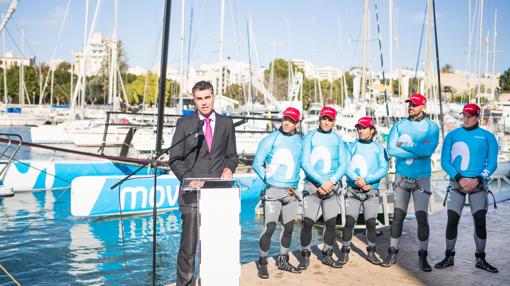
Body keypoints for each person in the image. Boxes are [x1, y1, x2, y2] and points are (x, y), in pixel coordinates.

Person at [169, 80, 238, 286]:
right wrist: (190, 179)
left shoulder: (226, 124)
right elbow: (174, 159)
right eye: (199, 99)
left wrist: (229, 168)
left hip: (218, 195)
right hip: (191, 196)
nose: (204, 103)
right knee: (188, 248)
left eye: (207, 97)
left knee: (215, 247)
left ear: (214, 97)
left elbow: (232, 156)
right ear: (194, 100)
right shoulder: (185, 124)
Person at [434, 103, 499, 273]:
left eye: (470, 115)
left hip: (478, 185)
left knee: (480, 221)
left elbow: (492, 163)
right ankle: (449, 256)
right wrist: (459, 178)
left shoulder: (488, 137)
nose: (466, 118)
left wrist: (477, 179)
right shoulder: (452, 135)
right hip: (457, 184)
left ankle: (480, 259)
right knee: (452, 220)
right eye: (464, 115)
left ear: (478, 117)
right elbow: (445, 162)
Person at [381, 93, 439, 271]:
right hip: (401, 178)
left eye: (414, 104)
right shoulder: (399, 125)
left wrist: (405, 145)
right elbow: (391, 150)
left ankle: (423, 257)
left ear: (423, 106)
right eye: (409, 104)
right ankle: (392, 253)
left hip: (422, 178)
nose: (411, 106)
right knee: (398, 217)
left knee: (422, 217)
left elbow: (428, 150)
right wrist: (417, 150)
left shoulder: (431, 127)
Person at [253, 107, 304, 279]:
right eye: (285, 119)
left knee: (288, 227)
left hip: (291, 193)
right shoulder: (271, 138)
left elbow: (302, 164)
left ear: (297, 123)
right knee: (270, 227)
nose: (287, 122)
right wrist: (269, 179)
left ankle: (283, 260)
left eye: (291, 120)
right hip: (273, 191)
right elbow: (257, 163)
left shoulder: (299, 141)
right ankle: (263, 262)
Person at [298, 106, 348, 270]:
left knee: (331, 223)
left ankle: (327, 255)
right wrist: (321, 182)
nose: (326, 122)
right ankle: (305, 255)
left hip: (331, 187)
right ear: (319, 119)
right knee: (308, 223)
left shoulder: (338, 139)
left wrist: (331, 182)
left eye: (330, 119)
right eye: (324, 118)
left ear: (334, 121)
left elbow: (343, 164)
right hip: (313, 186)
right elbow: (305, 163)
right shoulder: (309, 137)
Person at [339, 117, 389, 266]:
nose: (360, 130)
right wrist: (357, 180)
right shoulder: (351, 146)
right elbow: (345, 165)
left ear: (372, 130)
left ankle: (371, 253)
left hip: (370, 191)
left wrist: (367, 181)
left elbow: (384, 168)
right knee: (349, 222)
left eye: (364, 127)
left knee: (371, 223)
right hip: (353, 190)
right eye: (359, 128)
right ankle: (345, 252)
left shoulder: (379, 148)